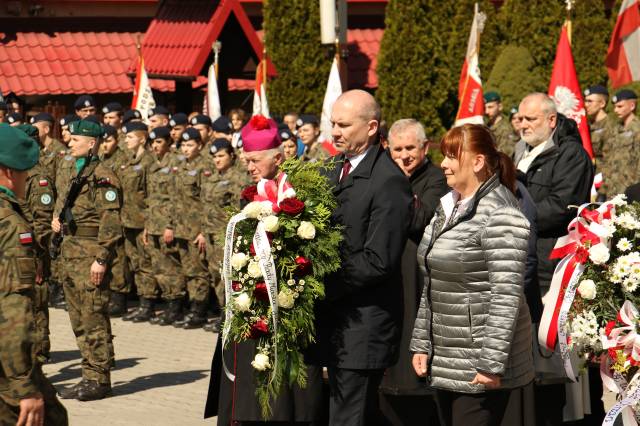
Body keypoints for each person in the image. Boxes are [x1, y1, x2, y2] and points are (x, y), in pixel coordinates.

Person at [411, 124, 534, 426]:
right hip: (447, 356)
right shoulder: (449, 206)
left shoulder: (500, 212)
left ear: (477, 162)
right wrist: (421, 343)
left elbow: (507, 295)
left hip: (479, 362)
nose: (443, 164)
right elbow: (434, 281)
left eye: (452, 156)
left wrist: (491, 363)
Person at [205, 115, 324, 425]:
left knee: (278, 393)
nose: (249, 166)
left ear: (278, 157)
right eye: (246, 159)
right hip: (250, 305)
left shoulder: (296, 195)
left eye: (255, 159)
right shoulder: (254, 191)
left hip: (281, 309)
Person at [310, 90, 413, 425]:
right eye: (332, 124)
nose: (335, 132)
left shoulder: (388, 181)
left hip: (363, 324)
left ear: (371, 127)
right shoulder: (331, 168)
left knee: (348, 417)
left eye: (343, 125)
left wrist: (318, 281)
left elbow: (378, 260)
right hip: (332, 320)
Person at [514, 93, 594, 424]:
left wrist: (514, 216)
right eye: (519, 119)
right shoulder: (521, 153)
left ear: (551, 120)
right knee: (531, 364)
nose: (522, 125)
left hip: (553, 268)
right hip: (525, 263)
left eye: (530, 119)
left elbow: (563, 206)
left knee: (555, 367)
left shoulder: (571, 155)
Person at [0, 123, 69, 426]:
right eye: (24, 173)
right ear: (9, 172)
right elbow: (12, 310)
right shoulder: (10, 224)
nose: (26, 179)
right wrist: (24, 387)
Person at [381, 118, 448, 425]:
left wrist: (395, 186)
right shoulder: (385, 174)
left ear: (425, 147)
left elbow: (422, 217)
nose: (404, 155)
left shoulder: (437, 178)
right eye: (397, 149)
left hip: (419, 275)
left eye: (410, 148)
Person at [52, 119, 121, 401]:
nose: (70, 142)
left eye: (75, 139)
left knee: (94, 317)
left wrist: (102, 259)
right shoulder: (74, 169)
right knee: (79, 320)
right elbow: (65, 205)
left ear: (92, 143)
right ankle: (87, 375)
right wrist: (58, 220)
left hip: (91, 253)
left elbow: (111, 221)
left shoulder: (104, 175)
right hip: (71, 252)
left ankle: (100, 379)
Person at [201, 138, 251, 333]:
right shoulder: (211, 177)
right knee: (215, 276)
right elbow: (204, 207)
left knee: (228, 276)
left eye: (221, 156)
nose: (217, 160)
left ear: (231, 155)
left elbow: (240, 210)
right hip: (210, 234)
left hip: (227, 236)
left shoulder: (239, 179)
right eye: (214, 157)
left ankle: (230, 316)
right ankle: (224, 312)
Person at [144, 126, 186, 326]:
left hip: (167, 224)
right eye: (152, 142)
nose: (155, 146)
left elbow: (176, 198)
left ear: (168, 143)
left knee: (171, 266)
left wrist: (170, 225)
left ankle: (175, 305)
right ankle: (168, 301)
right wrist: (146, 226)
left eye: (159, 141)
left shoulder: (175, 164)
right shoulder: (153, 164)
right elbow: (151, 199)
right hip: (153, 223)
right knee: (159, 267)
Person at [170, 128, 211, 328]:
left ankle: (199, 310)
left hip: (196, 229)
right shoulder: (179, 165)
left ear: (200, 145)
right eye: (183, 145)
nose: (186, 149)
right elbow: (175, 199)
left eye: (190, 145)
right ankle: (192, 306)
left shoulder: (205, 167)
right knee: (188, 269)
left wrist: (203, 230)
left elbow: (206, 201)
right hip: (181, 227)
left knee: (199, 271)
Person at [117, 122, 158, 323]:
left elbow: (151, 195)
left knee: (145, 263)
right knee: (135, 262)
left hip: (142, 221)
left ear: (142, 138)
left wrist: (149, 224)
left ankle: (148, 303)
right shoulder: (128, 160)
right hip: (127, 220)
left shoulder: (149, 162)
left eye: (130, 137)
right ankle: (141, 300)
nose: (126, 140)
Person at [98, 125, 130, 316]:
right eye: (103, 141)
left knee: (119, 258)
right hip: (105, 215)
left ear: (116, 140)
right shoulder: (101, 160)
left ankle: (120, 297)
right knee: (108, 256)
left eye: (109, 141)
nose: (105, 145)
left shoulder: (122, 160)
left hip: (120, 214)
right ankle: (110, 294)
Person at [598, 89, 640, 199]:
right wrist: (603, 189)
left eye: (620, 106)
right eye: (615, 107)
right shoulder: (615, 129)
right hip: (611, 190)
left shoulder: (638, 129)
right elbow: (607, 159)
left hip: (630, 190)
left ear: (632, 106)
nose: (616, 110)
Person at [584, 85, 613, 166]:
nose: (586, 104)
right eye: (585, 101)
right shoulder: (587, 125)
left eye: (590, 101)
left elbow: (612, 158)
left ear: (602, 104)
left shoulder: (611, 126)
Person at [484, 91, 517, 157]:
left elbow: (505, 155)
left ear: (500, 107)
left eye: (490, 107)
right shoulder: (487, 126)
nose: (486, 111)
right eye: (484, 108)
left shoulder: (505, 129)